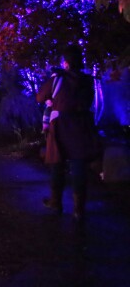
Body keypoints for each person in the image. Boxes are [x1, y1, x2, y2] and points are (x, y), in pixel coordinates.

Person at [36, 45, 98, 219]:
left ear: (66, 63)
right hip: (81, 124)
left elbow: (40, 97)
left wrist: (51, 100)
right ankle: (79, 208)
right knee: (79, 165)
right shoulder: (87, 80)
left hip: (60, 125)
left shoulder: (58, 79)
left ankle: (56, 202)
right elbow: (89, 101)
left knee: (58, 163)